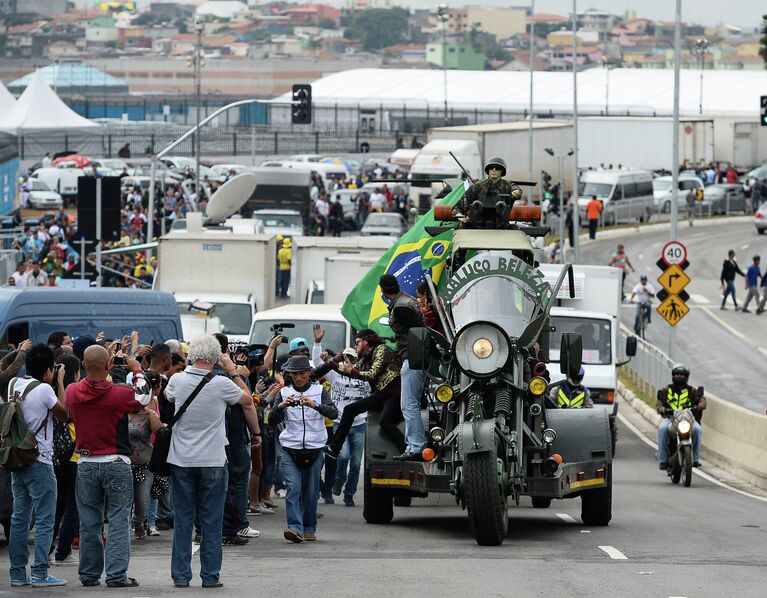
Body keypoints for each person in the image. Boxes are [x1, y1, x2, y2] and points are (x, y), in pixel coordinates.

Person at [165, 335, 260, 589]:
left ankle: (181, 576)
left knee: (184, 518)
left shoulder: (177, 380)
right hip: (214, 460)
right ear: (216, 357)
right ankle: (210, 576)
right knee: (212, 519)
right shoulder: (221, 384)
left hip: (181, 459)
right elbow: (247, 399)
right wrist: (231, 370)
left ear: (191, 356)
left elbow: (168, 395)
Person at [66, 345, 150, 588]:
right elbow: (143, 396)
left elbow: (77, 396)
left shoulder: (72, 391)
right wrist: (136, 370)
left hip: (86, 463)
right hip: (116, 463)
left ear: (82, 365)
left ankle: (89, 574)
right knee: (118, 520)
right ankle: (116, 575)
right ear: (108, 365)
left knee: (89, 521)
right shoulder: (119, 394)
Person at [8, 344, 69, 588]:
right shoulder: (45, 389)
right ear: (47, 370)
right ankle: (41, 573)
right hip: (39, 460)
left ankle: (17, 573)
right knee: (45, 519)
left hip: (17, 458)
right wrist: (61, 382)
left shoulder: (14, 384)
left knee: (19, 518)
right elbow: (65, 414)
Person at [269, 355, 337, 543]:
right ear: (289, 375)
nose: (298, 377)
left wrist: (315, 405)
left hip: (315, 449)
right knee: (293, 488)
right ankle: (294, 527)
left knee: (311, 491)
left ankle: (309, 527)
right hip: (290, 448)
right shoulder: (284, 393)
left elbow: (333, 412)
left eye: (302, 373)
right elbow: (272, 421)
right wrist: (280, 407)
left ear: (309, 374)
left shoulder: (319, 391)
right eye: (294, 374)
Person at [323, 329, 405, 459]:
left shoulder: (381, 349)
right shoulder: (366, 357)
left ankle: (406, 450)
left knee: (385, 422)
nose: (355, 346)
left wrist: (352, 371)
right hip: (381, 395)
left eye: (357, 342)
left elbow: (372, 374)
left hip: (395, 394)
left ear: (366, 340)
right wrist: (329, 362)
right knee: (350, 409)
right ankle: (334, 448)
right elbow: (349, 371)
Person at [311, 325, 370, 507]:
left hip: (359, 424)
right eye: (347, 357)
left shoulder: (365, 375)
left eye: (353, 357)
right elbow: (317, 365)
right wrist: (317, 343)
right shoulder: (335, 374)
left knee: (357, 463)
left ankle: (349, 494)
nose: (349, 360)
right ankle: (338, 481)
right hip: (339, 423)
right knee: (342, 457)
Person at [379, 274, 426, 461]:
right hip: (418, 357)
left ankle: (416, 447)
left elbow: (419, 329)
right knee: (411, 403)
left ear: (382, 290)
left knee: (408, 404)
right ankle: (416, 445)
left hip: (413, 358)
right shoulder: (409, 300)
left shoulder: (399, 308)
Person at [50, 353, 81, 567]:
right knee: (72, 506)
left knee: (57, 506)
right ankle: (63, 553)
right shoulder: (77, 392)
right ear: (77, 372)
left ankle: (49, 549)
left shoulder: (50, 391)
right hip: (76, 456)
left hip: (57, 457)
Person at [656, 364, 705, 469]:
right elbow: (659, 402)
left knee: (698, 429)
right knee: (662, 429)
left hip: (688, 419)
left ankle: (696, 459)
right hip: (670, 419)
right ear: (673, 375)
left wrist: (701, 405)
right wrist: (661, 408)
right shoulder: (666, 389)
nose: (679, 376)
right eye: (677, 374)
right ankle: (663, 460)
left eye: (682, 375)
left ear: (686, 376)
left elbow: (702, 400)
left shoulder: (692, 390)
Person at [456, 157, 522, 228]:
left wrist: (516, 192)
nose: (494, 170)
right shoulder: (477, 187)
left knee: (515, 228)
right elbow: (458, 207)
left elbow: (516, 190)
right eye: (491, 168)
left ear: (502, 171)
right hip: (476, 228)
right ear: (488, 170)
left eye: (497, 168)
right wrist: (460, 216)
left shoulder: (508, 186)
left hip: (502, 228)